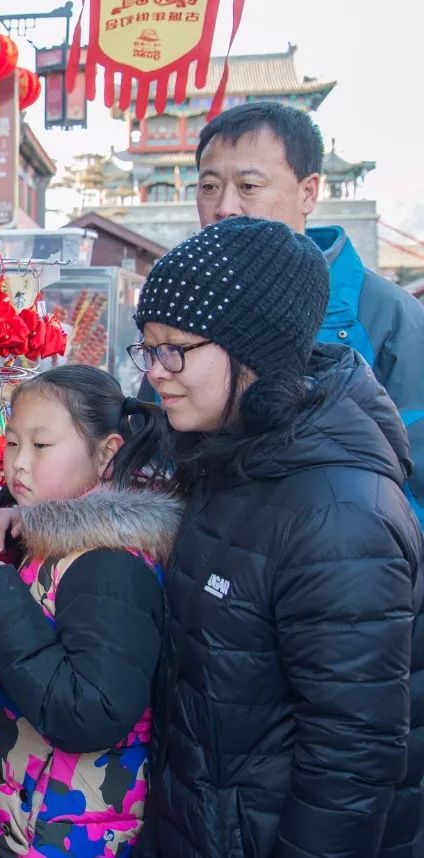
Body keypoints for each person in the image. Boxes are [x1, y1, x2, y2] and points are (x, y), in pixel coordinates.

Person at [131, 217, 423, 857]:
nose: (156, 371)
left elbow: (350, 763)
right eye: (147, 349)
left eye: (175, 348)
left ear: (254, 352)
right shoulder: (227, 454)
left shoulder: (342, 516)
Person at [0, 364, 179, 856]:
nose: (18, 463)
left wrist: (2, 593)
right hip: (27, 804)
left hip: (68, 828)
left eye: (41, 445)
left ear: (107, 455)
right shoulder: (61, 532)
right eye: (12, 443)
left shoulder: (110, 564)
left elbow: (88, 711)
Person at [193, 101, 424, 525]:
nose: (224, 207)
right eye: (209, 187)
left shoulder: (391, 319)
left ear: (309, 191)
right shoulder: (189, 306)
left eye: (248, 186)